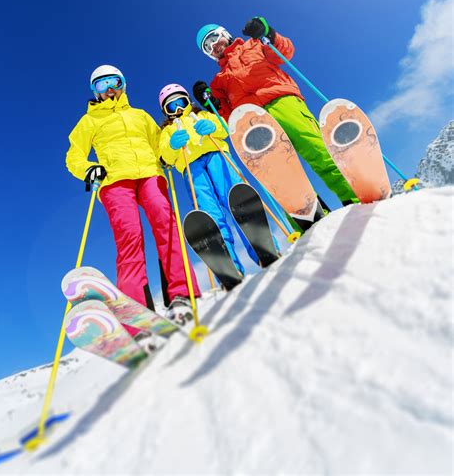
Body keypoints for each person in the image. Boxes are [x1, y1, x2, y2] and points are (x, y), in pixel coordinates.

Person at [65, 65, 200, 325]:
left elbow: (160, 143)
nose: (109, 90)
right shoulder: (89, 121)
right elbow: (74, 156)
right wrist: (89, 169)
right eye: (101, 86)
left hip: (150, 172)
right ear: (95, 92)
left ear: (123, 84)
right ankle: (139, 308)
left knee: (166, 224)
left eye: (114, 82)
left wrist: (169, 149)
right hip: (115, 181)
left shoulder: (140, 116)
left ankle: (182, 294)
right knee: (129, 237)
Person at [193, 19, 358, 207]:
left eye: (213, 38)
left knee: (316, 148)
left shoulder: (253, 45)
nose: (214, 46)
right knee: (278, 170)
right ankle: (308, 213)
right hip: (253, 122)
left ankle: (353, 194)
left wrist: (267, 33)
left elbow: (285, 52)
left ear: (224, 34)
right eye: (207, 47)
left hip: (282, 100)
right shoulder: (218, 82)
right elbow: (228, 117)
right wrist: (211, 103)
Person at [158, 83, 259, 275]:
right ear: (166, 111)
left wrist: (213, 126)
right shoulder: (167, 131)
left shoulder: (203, 115)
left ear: (188, 101)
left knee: (235, 197)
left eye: (181, 102)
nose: (178, 109)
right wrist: (172, 145)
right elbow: (165, 157)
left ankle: (260, 246)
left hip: (216, 155)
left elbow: (224, 129)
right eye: (172, 106)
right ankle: (230, 265)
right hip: (191, 167)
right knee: (210, 212)